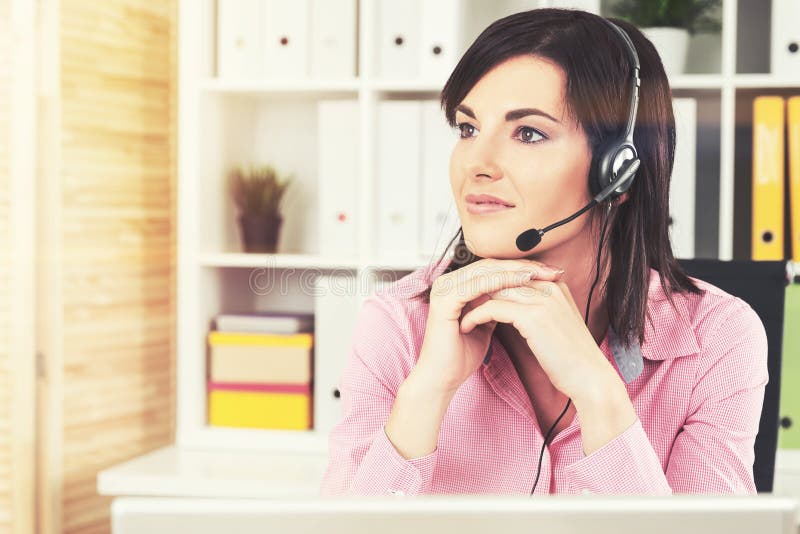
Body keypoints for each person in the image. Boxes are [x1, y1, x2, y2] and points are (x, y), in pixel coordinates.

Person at [319, 8, 768, 496]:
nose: (477, 164)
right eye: (468, 129)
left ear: (617, 173)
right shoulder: (398, 324)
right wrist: (426, 393)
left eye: (528, 133)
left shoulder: (719, 338)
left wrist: (599, 394)